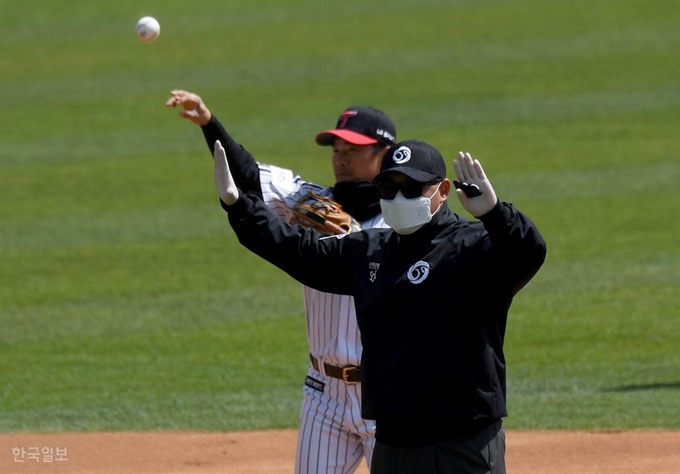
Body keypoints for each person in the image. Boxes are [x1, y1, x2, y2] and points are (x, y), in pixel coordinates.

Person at [212, 138, 547, 474]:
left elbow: (528, 252)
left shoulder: (475, 248)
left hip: (463, 442)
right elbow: (300, 250)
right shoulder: (371, 251)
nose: (398, 197)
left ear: (443, 190)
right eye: (388, 188)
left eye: (411, 188)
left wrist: (495, 214)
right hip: (392, 442)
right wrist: (239, 205)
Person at [166, 90, 397, 473]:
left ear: (383, 155)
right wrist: (209, 124)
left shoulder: (405, 223)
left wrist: (357, 235)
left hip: (385, 392)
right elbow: (249, 175)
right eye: (336, 147)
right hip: (323, 393)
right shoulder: (308, 201)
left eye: (353, 149)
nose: (340, 156)